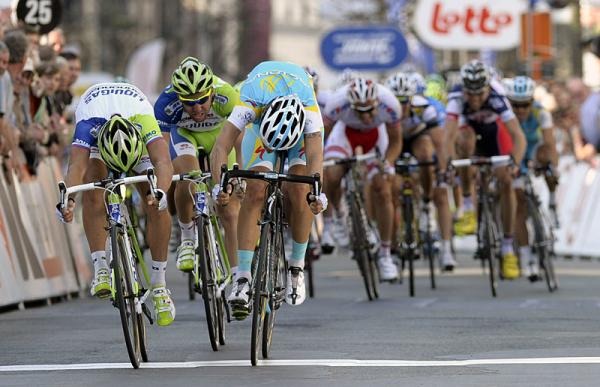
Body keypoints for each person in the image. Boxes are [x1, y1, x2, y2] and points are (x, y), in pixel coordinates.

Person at [210, 60, 326, 317]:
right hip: (264, 126)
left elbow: (316, 157)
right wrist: (221, 184)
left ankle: (296, 267)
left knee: (300, 190)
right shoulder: (250, 99)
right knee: (255, 190)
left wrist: (317, 193)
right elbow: (220, 147)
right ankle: (242, 277)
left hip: (299, 127)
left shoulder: (310, 112)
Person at [56, 82, 176, 326]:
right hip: (101, 138)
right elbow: (76, 167)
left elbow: (163, 162)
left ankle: (160, 285)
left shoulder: (144, 119)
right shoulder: (87, 124)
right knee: (93, 188)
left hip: (134, 137)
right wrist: (67, 199)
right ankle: (100, 266)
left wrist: (160, 192)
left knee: (154, 200)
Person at [154, 57, 241, 280]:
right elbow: (161, 151)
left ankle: (239, 279)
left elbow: (240, 140)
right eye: (189, 103)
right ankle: (187, 238)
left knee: (230, 212)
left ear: (211, 92)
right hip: (185, 136)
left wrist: (239, 175)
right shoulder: (166, 103)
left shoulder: (227, 95)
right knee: (188, 178)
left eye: (202, 100)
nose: (197, 108)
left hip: (219, 138)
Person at [444, 60, 526, 280]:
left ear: (488, 88)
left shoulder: (498, 97)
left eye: (480, 94)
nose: (476, 99)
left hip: (493, 134)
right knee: (464, 140)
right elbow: (448, 137)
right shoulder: (456, 98)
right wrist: (448, 164)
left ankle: (508, 247)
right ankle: (469, 205)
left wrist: (514, 163)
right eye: (471, 95)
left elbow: (518, 137)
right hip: (468, 133)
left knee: (506, 181)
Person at [321, 77, 403, 281]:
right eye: (360, 112)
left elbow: (395, 142)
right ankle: (338, 216)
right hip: (344, 136)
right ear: (350, 105)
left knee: (383, 191)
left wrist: (388, 163)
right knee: (331, 173)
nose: (366, 117)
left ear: (377, 103)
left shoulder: (390, 104)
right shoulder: (336, 105)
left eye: (370, 111)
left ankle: (385, 255)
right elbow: (320, 137)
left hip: (377, 139)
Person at [385, 72, 456, 271]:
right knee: (392, 190)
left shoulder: (424, 108)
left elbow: (440, 144)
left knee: (427, 154)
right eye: (397, 102)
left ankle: (426, 204)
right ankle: (391, 248)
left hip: (417, 139)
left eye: (405, 101)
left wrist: (442, 171)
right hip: (394, 143)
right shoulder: (385, 111)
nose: (402, 106)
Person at [504, 76, 558, 280]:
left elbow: (550, 143)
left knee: (548, 160)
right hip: (514, 153)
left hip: (534, 150)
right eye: (516, 105)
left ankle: (553, 202)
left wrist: (552, 167)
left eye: (525, 105)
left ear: (531, 102)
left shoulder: (541, 112)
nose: (520, 110)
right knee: (519, 205)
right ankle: (527, 258)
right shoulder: (505, 116)